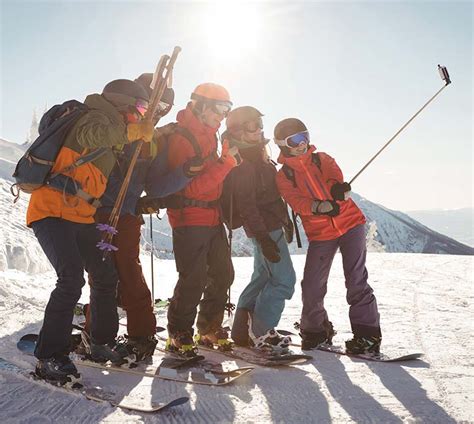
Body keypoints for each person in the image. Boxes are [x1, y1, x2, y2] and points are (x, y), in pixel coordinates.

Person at [26, 78, 155, 384]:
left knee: (105, 275)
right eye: (139, 107)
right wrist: (131, 131)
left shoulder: (114, 129)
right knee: (70, 279)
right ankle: (50, 357)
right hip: (51, 210)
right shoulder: (93, 116)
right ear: (121, 103)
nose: (141, 114)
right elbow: (91, 134)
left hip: (81, 214)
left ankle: (100, 342)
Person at [81, 74, 204, 361]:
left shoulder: (153, 142)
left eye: (165, 107)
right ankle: (98, 333)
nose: (160, 110)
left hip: (126, 215)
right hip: (97, 211)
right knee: (102, 275)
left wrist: (184, 173)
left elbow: (156, 184)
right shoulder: (113, 125)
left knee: (127, 272)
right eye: (156, 103)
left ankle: (139, 333)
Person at [274, 118, 382, 353]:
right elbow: (296, 201)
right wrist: (318, 207)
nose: (302, 144)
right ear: (283, 144)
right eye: (296, 140)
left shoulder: (323, 159)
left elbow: (334, 177)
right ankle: (315, 330)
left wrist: (337, 190)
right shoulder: (284, 176)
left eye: (305, 137)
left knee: (356, 279)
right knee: (312, 284)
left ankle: (367, 334)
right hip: (321, 234)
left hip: (350, 224)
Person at [164, 83, 242, 356]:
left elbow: (212, 180)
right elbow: (190, 188)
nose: (223, 115)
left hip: (211, 216)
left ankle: (208, 328)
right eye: (220, 108)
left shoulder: (211, 135)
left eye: (227, 109)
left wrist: (225, 158)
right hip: (189, 216)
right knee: (193, 278)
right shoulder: (182, 139)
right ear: (201, 106)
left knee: (223, 274)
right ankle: (178, 332)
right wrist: (226, 163)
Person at [221, 106, 296, 351]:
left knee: (262, 277)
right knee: (284, 281)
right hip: (264, 229)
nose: (259, 130)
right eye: (252, 126)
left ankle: (242, 331)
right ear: (238, 131)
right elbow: (248, 206)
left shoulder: (256, 156)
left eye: (260, 124)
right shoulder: (244, 164)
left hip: (268, 227)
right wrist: (264, 238)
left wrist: (283, 222)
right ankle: (261, 332)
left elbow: (269, 197)